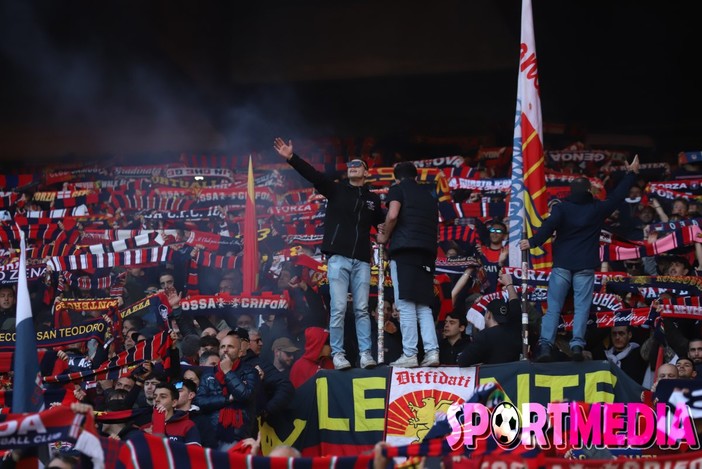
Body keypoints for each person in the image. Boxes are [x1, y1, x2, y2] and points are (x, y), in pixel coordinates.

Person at [274, 137, 384, 370]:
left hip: (363, 260)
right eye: (350, 165)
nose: (353, 167)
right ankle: (338, 354)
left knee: (362, 308)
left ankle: (365, 354)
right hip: (338, 258)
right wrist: (292, 158)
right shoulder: (336, 190)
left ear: (366, 172)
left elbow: (386, 222)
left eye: (358, 165)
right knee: (338, 308)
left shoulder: (373, 200)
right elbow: (313, 175)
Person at [520, 155, 640, 362]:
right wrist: (631, 175)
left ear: (571, 191)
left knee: (553, 309)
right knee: (582, 308)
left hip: (562, 267)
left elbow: (548, 227)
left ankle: (546, 347)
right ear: (588, 191)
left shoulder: (562, 208)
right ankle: (576, 346)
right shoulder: (596, 208)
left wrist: (531, 242)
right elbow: (618, 196)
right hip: (585, 267)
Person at [376, 161, 440, 368]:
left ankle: (410, 354)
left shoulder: (397, 189)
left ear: (396, 177)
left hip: (405, 252)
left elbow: (393, 214)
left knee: (405, 304)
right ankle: (432, 352)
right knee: (423, 306)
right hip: (427, 253)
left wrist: (383, 236)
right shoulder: (429, 195)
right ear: (416, 176)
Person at [456, 272, 521, 366]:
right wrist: (509, 284)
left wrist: (477, 308)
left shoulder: (484, 336)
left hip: (491, 379)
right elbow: (515, 308)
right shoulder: (515, 330)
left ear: (488, 315)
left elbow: (463, 361)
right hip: (514, 379)